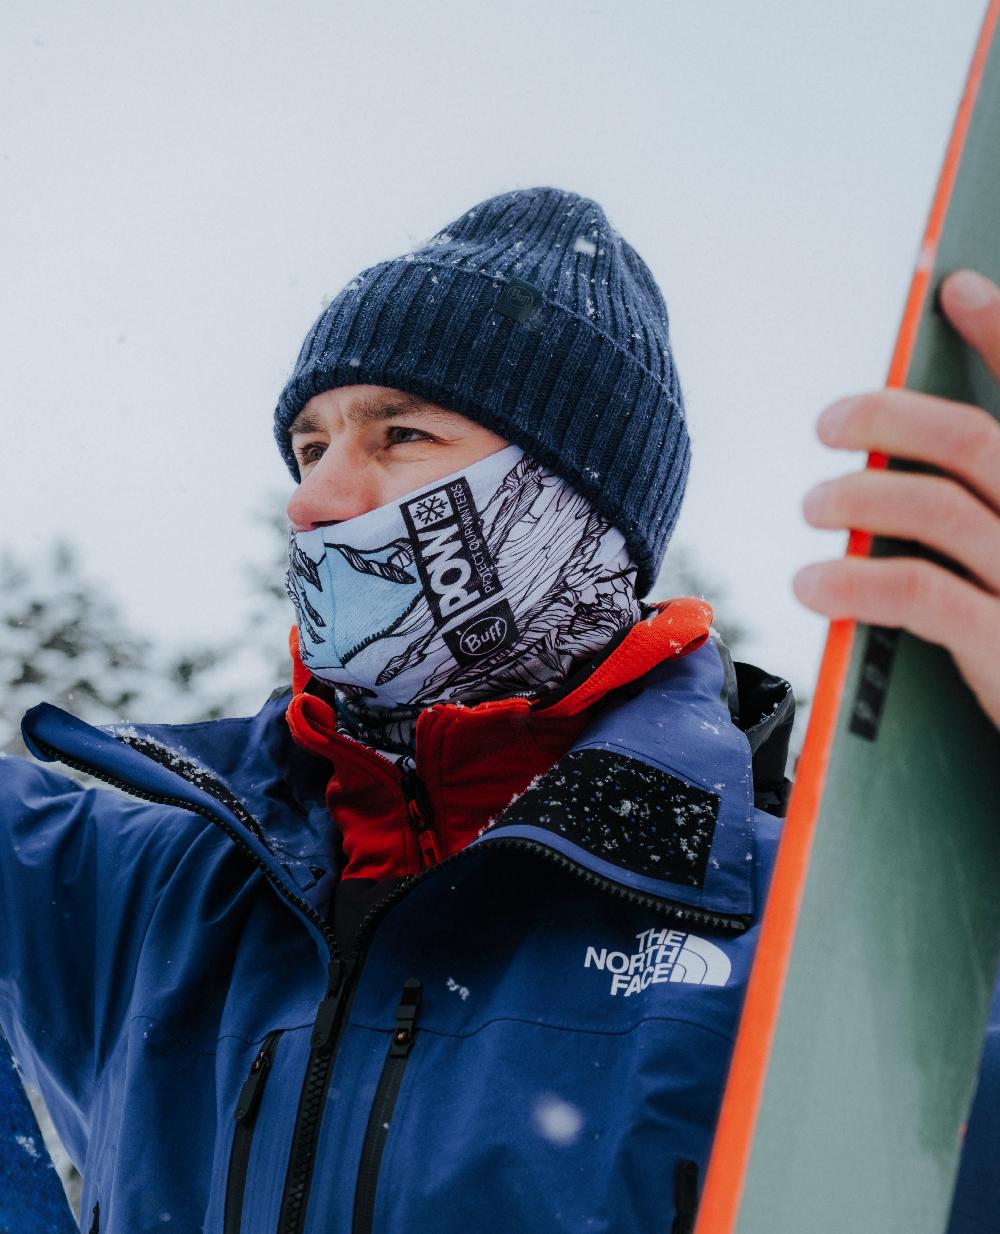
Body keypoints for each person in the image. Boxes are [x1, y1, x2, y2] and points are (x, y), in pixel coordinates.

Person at [0, 187, 997, 1234]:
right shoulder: (140, 890)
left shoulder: (802, 936)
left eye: (401, 433)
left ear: (570, 505)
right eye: (309, 444)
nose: (315, 498)